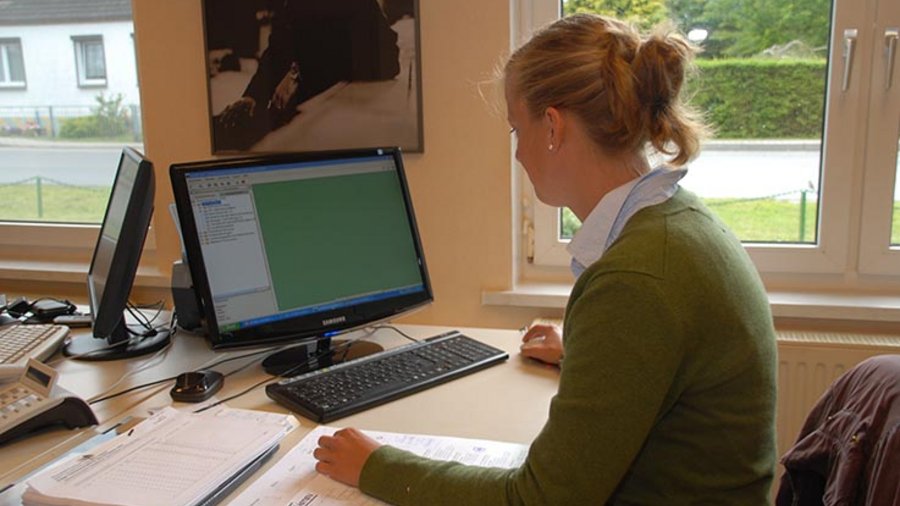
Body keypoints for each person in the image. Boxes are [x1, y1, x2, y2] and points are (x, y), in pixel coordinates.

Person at [313, 13, 778, 504]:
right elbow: (659, 358)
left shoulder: (636, 281)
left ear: (553, 127)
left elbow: (540, 500)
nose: (517, 154)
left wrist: (377, 466)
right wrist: (585, 353)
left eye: (517, 130)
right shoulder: (678, 219)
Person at [214, 0, 401, 151]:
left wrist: (298, 72)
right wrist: (252, 96)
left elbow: (387, 62)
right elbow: (276, 52)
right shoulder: (293, 5)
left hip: (334, 121)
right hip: (294, 115)